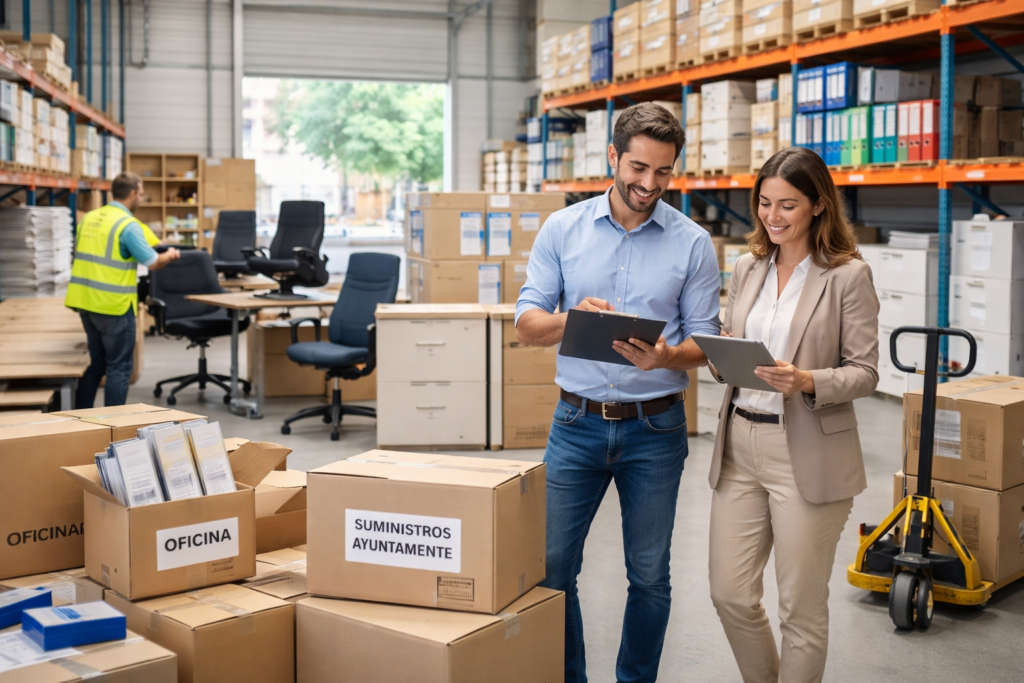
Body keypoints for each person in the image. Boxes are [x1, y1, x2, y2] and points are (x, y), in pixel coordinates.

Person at [515, 102, 722, 683]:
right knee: (553, 569)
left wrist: (667, 356)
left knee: (650, 575)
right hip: (575, 425)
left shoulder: (693, 243)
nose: (648, 185)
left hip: (655, 430)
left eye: (662, 172)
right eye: (637, 168)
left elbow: (706, 342)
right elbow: (526, 324)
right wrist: (570, 317)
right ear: (612, 156)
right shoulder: (564, 229)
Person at [707, 146, 879, 683]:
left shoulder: (847, 276)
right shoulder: (747, 267)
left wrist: (807, 380)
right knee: (729, 593)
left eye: (787, 205)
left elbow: (866, 372)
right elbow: (730, 353)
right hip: (740, 446)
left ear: (818, 206)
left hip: (805, 450)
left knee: (800, 611)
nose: (772, 217)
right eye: (764, 203)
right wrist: (724, 354)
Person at [65, 172, 181, 408]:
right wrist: (169, 255)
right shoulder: (128, 225)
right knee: (119, 367)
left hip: (84, 303)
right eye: (140, 194)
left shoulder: (88, 218)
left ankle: (79, 421)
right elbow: (152, 261)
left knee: (96, 364)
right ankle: (112, 427)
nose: (140, 198)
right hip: (113, 306)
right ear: (132, 194)